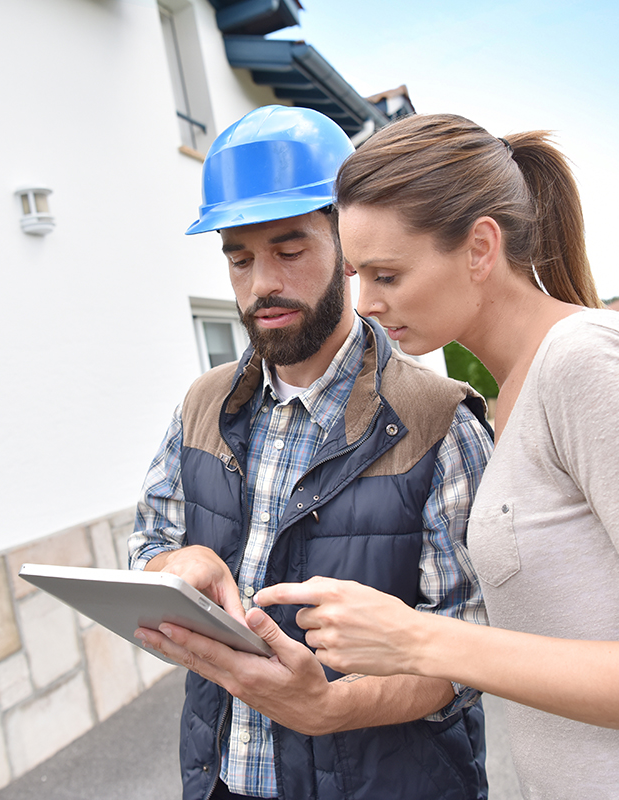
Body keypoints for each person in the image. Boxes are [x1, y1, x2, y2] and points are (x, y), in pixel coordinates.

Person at [256, 113, 619, 799]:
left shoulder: (588, 363)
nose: (365, 304)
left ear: (480, 247)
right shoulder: (511, 394)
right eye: (357, 274)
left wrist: (421, 639)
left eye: (387, 273)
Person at [127, 106, 494, 800]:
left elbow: (472, 653)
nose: (261, 282)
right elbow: (147, 543)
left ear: (347, 249)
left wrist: (333, 708)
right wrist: (173, 564)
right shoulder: (200, 408)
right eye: (239, 257)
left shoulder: (438, 423)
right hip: (220, 784)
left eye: (289, 251)